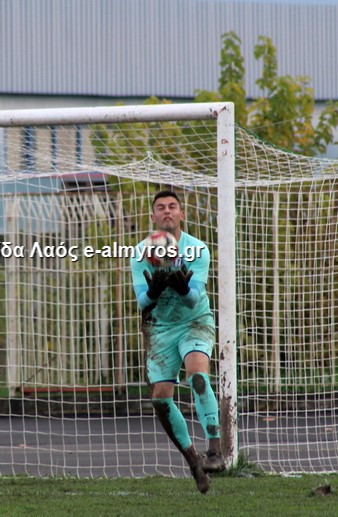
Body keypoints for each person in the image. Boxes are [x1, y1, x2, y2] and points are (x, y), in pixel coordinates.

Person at [130, 189, 224, 494]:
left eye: (172, 206)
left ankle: (215, 450)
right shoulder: (140, 253)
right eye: (161, 207)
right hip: (159, 328)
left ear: (181, 214)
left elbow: (193, 298)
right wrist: (154, 292)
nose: (167, 211)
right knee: (160, 397)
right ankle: (193, 461)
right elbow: (142, 302)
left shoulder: (198, 249)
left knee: (197, 372)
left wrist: (182, 288)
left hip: (193, 321)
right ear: (153, 216)